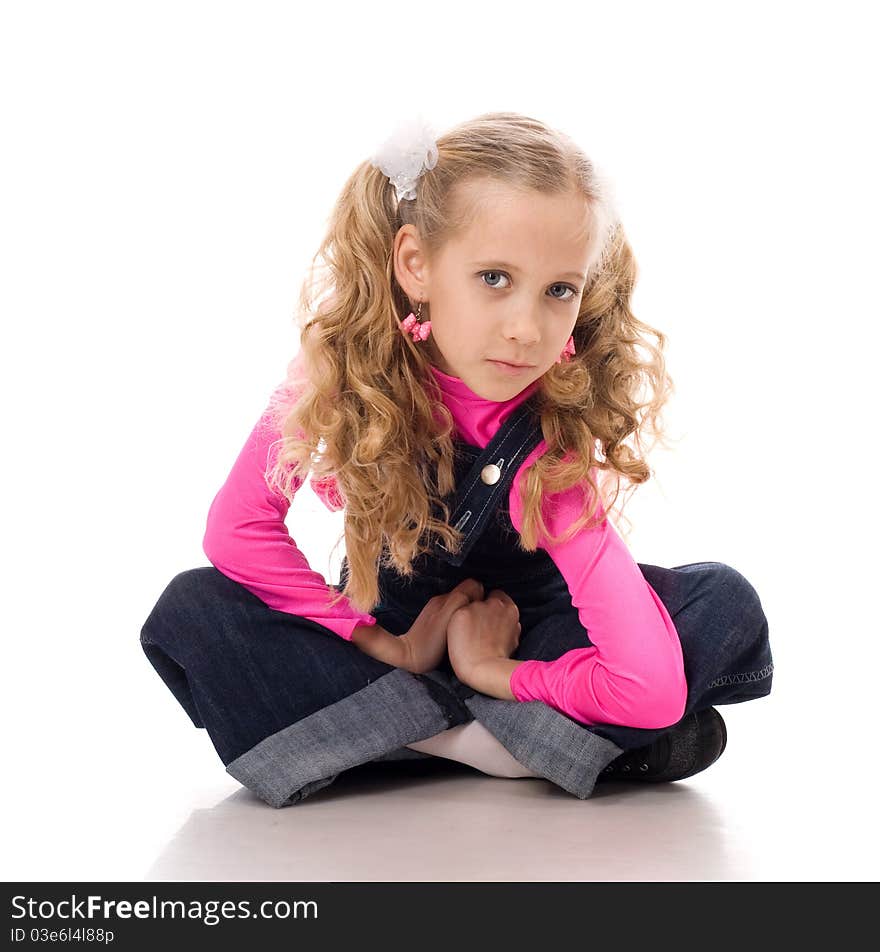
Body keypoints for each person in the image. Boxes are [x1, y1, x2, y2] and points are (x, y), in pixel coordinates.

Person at [139, 112, 773, 808]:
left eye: (558, 290)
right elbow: (237, 530)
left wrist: (496, 670)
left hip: (528, 634)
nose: (526, 329)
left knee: (721, 601)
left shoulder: (546, 435)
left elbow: (647, 690)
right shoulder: (336, 376)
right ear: (416, 264)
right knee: (194, 609)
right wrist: (384, 645)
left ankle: (400, 731)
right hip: (395, 632)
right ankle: (489, 747)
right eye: (495, 278)